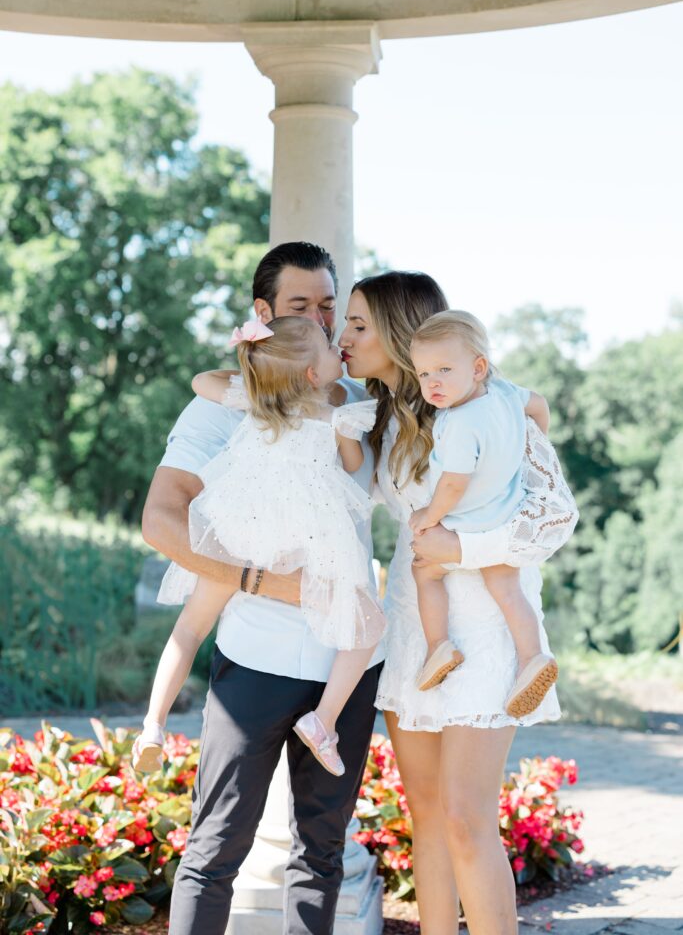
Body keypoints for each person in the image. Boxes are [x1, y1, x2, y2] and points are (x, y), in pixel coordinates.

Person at [141, 242, 383, 935]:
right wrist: (262, 582)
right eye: (301, 306)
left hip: (349, 662)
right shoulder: (225, 409)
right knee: (216, 848)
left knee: (322, 855)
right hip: (255, 660)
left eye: (329, 307)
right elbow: (160, 520)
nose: (322, 318)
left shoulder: (360, 405)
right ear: (264, 312)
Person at [338, 272, 577, 935]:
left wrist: (458, 552)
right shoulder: (379, 416)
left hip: (486, 629)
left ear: (398, 331)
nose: (346, 336)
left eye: (359, 325)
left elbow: (555, 519)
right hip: (416, 627)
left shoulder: (493, 406)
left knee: (468, 820)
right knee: (429, 818)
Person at [133, 316, 384, 780]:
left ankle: (152, 725)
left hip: (240, 531)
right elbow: (353, 471)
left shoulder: (256, 402)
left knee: (190, 628)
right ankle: (323, 721)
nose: (338, 353)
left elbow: (199, 380)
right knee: (368, 623)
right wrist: (346, 436)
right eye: (330, 349)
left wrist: (258, 375)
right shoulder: (336, 418)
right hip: (306, 541)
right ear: (313, 374)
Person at [407, 309, 560, 718]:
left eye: (443, 369)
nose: (432, 382)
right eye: (422, 374)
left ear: (477, 367)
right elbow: (540, 406)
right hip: (505, 519)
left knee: (424, 570)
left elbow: (454, 484)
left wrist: (429, 516)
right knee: (508, 591)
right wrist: (531, 446)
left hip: (465, 525)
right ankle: (533, 659)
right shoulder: (507, 394)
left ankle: (439, 646)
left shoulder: (459, 421)